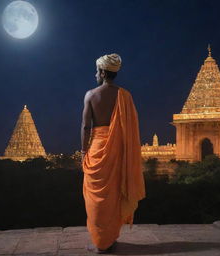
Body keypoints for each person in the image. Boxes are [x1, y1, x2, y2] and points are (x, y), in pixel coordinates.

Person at [81, 53, 146, 254]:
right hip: (117, 151)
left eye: (96, 71)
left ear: (102, 72)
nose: (95, 74)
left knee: (95, 199)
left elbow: (85, 126)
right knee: (113, 195)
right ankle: (108, 240)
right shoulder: (125, 96)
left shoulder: (91, 95)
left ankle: (101, 242)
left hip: (95, 148)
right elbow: (131, 128)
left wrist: (83, 152)